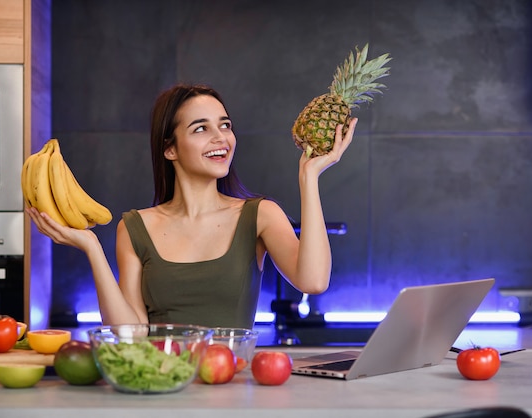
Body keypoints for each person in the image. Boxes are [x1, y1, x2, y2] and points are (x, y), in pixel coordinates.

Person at [27, 84, 356, 329]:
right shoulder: (135, 227)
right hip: (159, 390)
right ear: (170, 148)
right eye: (201, 128)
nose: (221, 137)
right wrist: (91, 248)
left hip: (230, 392)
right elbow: (131, 334)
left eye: (225, 125)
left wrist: (309, 177)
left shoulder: (261, 215)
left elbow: (313, 281)